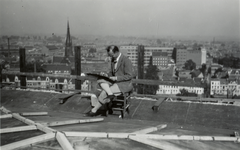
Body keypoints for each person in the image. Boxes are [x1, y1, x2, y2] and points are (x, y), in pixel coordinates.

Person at [85, 45, 133, 117]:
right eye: (110, 56)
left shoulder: (126, 60)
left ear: (116, 52)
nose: (111, 57)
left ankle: (94, 110)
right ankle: (110, 93)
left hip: (124, 84)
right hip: (114, 81)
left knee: (104, 93)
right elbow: (112, 73)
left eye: (112, 55)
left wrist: (116, 78)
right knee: (100, 79)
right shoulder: (113, 60)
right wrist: (107, 75)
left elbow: (129, 76)